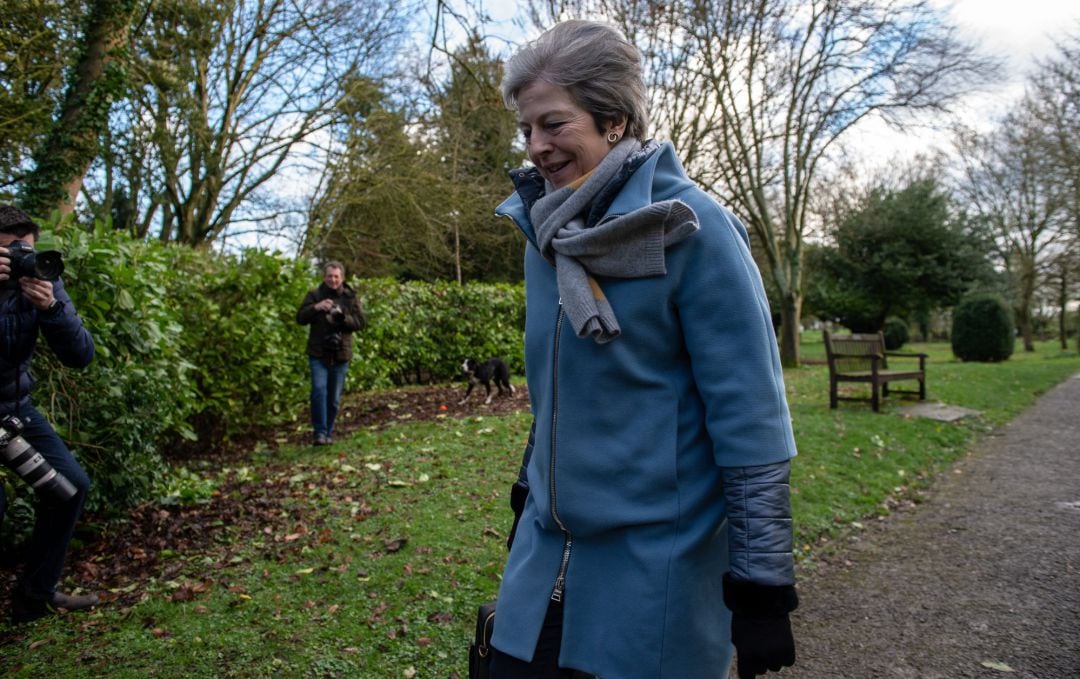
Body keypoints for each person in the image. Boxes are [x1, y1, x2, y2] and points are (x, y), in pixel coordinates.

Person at [490, 20, 798, 678]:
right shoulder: (541, 236)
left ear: (617, 121)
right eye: (527, 130)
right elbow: (557, 393)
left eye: (553, 124)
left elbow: (753, 426)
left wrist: (762, 590)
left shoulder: (694, 229)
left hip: (653, 579)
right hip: (541, 566)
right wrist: (526, 504)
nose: (536, 148)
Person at [0, 205, 97, 623]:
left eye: (26, 249)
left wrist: (52, 310)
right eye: (9, 251)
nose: (21, 258)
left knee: (71, 487)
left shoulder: (41, 279)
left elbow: (81, 355)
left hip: (13, 407)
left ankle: (33, 597)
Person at [296, 261, 365, 445]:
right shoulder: (314, 295)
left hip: (341, 353)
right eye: (329, 276)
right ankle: (319, 433)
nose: (333, 280)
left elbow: (360, 323)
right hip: (318, 352)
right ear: (324, 277)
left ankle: (328, 432)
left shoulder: (350, 297)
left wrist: (342, 317)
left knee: (333, 398)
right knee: (319, 390)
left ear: (342, 278)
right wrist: (316, 307)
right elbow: (300, 318)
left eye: (336, 276)